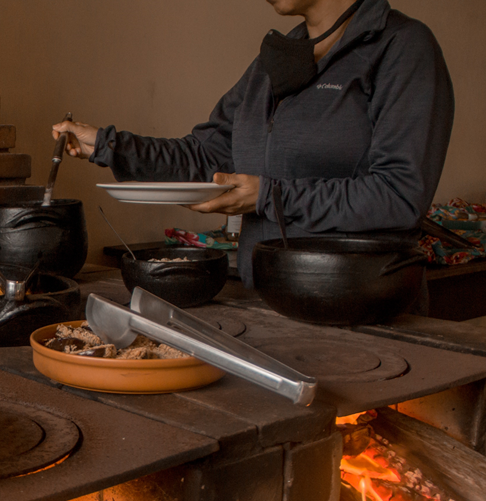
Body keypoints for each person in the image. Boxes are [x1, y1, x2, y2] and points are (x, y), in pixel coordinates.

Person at [53, 0, 454, 288]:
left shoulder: (402, 46)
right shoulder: (276, 60)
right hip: (266, 300)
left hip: (359, 307)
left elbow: (399, 195)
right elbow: (208, 154)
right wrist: (108, 146)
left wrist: (269, 195)